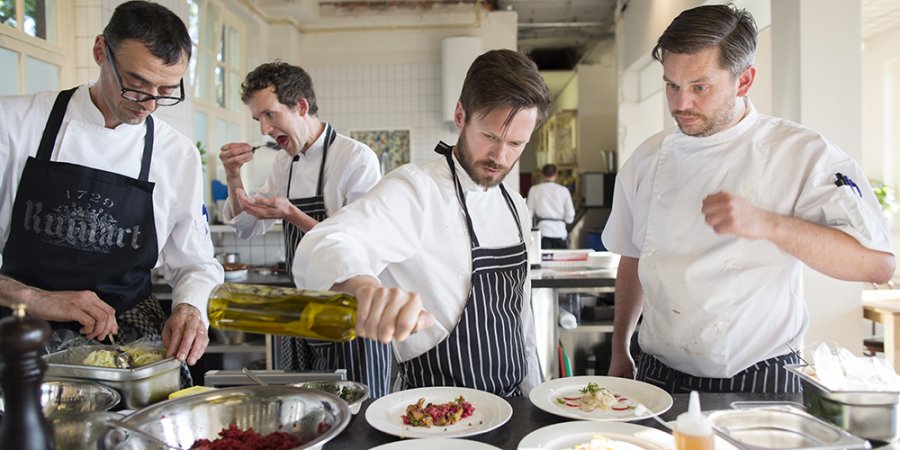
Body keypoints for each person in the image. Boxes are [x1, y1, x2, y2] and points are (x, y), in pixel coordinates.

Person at [602, 4, 895, 394]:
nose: (680, 104)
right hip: (659, 373)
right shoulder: (648, 158)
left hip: (761, 374)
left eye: (700, 87)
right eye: (672, 85)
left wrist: (767, 224)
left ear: (744, 81)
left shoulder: (802, 153)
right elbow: (634, 257)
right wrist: (620, 345)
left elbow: (877, 264)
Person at [293, 49, 552, 397]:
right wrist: (364, 288)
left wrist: (534, 396)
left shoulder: (514, 205)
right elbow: (325, 241)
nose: (500, 157)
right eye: (489, 137)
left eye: (516, 143)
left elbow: (522, 322)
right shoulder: (417, 190)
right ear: (461, 115)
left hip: (513, 406)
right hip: (432, 412)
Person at [0, 1, 221, 382]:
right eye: (136, 85)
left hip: (129, 346)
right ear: (101, 52)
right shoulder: (14, 123)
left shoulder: (176, 153)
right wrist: (37, 299)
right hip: (21, 336)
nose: (149, 105)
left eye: (166, 90)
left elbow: (195, 263)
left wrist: (189, 308)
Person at [218, 61, 392, 397]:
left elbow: (364, 250)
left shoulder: (355, 159)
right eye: (258, 120)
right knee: (307, 410)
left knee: (360, 414)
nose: (264, 130)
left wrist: (294, 215)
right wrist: (233, 176)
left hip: (351, 314)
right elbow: (247, 227)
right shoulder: (284, 162)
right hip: (304, 309)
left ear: (301, 106)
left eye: (270, 115)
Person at [527, 164, 575, 249]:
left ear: (541, 174)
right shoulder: (564, 191)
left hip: (543, 232)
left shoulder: (534, 190)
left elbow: (529, 212)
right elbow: (570, 214)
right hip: (560, 232)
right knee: (561, 261)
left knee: (544, 261)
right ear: (556, 175)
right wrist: (565, 222)